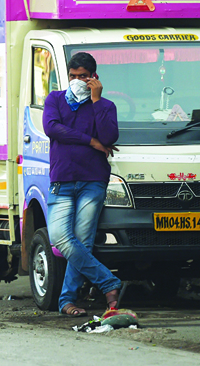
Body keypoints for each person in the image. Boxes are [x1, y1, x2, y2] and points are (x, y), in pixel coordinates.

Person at [43, 52, 122, 317]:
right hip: (62, 180)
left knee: (83, 242)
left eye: (83, 76)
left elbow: (110, 135)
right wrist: (91, 141)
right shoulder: (55, 99)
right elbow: (52, 128)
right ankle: (109, 283)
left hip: (92, 180)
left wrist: (97, 100)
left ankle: (66, 301)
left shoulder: (105, 105)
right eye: (73, 76)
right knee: (61, 238)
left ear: (94, 77)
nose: (77, 81)